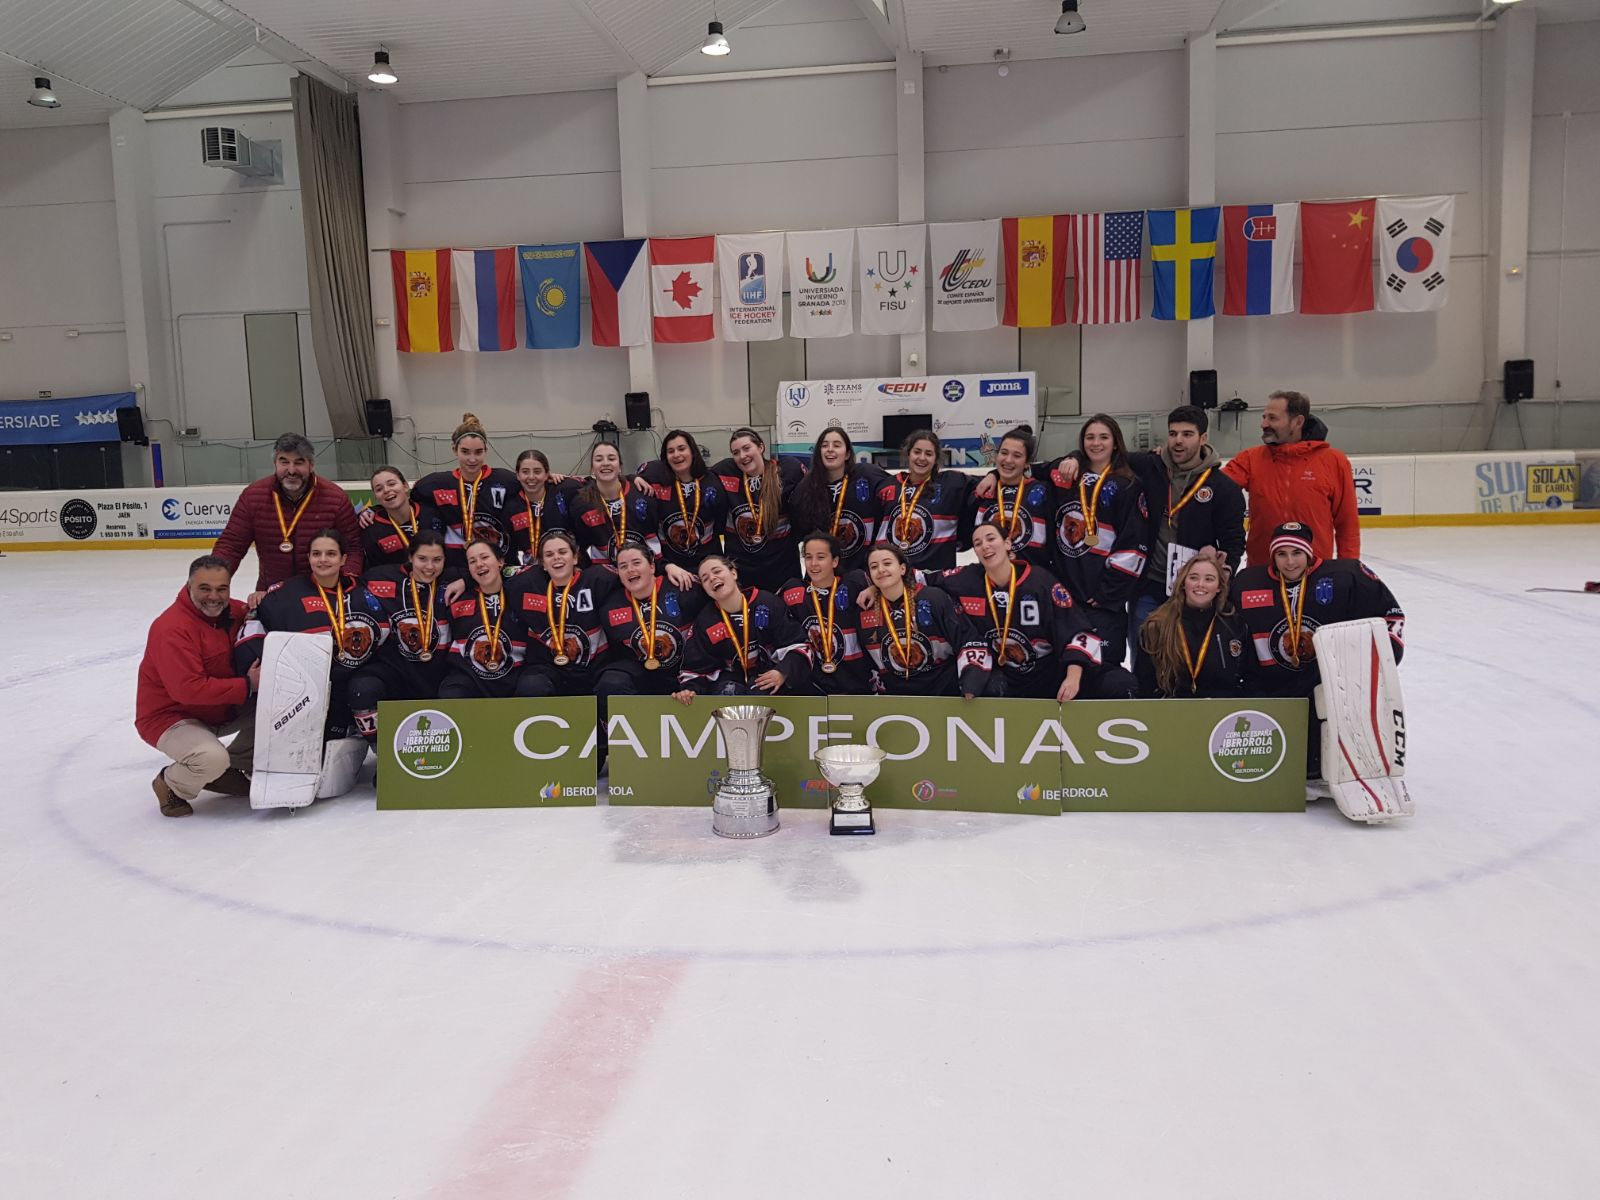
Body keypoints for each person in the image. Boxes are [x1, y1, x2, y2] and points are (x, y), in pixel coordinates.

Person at [1047, 406, 1245, 659]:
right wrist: (1074, 456)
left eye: (1187, 434)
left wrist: (1223, 570)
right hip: (1148, 585)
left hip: (1193, 589)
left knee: (1190, 657)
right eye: (1173, 434)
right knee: (1144, 657)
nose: (1178, 441)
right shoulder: (1148, 466)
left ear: (1203, 438)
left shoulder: (1223, 487)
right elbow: (1103, 452)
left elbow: (1234, 541)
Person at [1229, 522, 1405, 777]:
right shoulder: (1247, 583)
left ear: (1309, 552)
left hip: (1326, 683)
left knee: (1318, 753)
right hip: (1271, 684)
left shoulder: (1347, 576)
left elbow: (1392, 616)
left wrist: (1384, 659)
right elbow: (1226, 627)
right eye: (1281, 554)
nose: (1290, 562)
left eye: (1297, 553)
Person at [926, 521, 1135, 701]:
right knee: (987, 688)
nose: (985, 546)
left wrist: (1073, 678)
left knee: (1120, 683)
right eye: (978, 543)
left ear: (1007, 543)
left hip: (1050, 673)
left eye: (991, 539)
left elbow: (1078, 633)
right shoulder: (967, 578)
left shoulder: (1040, 581)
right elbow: (921, 578)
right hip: (1007, 676)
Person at [137, 554, 258, 817]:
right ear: (189, 586)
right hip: (172, 717)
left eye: (221, 589)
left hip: (218, 709)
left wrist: (262, 602)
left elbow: (255, 613)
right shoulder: (171, 628)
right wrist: (247, 685)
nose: (213, 596)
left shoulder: (232, 612)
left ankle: (227, 769)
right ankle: (170, 784)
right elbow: (187, 689)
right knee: (209, 758)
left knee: (283, 708)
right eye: (204, 588)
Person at [234, 528, 379, 741]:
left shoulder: (363, 593)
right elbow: (253, 628)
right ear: (309, 557)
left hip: (353, 682)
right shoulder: (284, 595)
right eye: (316, 554)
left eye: (330, 554)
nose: (323, 560)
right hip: (308, 689)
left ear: (343, 559)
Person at [1040, 414, 1149, 666]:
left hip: (1102, 602)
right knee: (1063, 666)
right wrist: (992, 474)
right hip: (1065, 596)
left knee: (1104, 668)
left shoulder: (1128, 485)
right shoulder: (1068, 476)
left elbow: (1134, 544)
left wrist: (1107, 593)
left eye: (1103, 437)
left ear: (1115, 443)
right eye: (1090, 437)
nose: (1096, 443)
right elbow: (1029, 470)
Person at [212, 432, 363, 596]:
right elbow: (231, 546)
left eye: (299, 462)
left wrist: (347, 585)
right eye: (284, 462)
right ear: (275, 463)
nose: (291, 470)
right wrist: (212, 581)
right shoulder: (253, 496)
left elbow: (353, 549)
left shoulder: (336, 498)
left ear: (311, 465)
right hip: (272, 592)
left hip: (323, 593)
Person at [1222, 390, 1360, 566]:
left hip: (1314, 571)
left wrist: (1348, 568)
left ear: (1298, 422)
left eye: (1272, 418)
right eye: (1264, 417)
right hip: (1262, 570)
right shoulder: (1250, 459)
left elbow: (1347, 523)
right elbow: (1216, 489)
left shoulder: (1334, 461)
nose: (1263, 424)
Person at [347, 530, 453, 746]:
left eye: (437, 560)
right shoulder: (381, 578)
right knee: (363, 688)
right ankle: (383, 753)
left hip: (439, 673)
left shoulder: (453, 580)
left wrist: (465, 579)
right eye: (422, 559)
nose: (429, 567)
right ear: (410, 557)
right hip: (397, 670)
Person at [674, 554, 812, 700]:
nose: (712, 578)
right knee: (727, 692)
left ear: (733, 573)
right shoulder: (705, 621)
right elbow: (696, 668)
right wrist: (689, 690)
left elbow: (799, 645)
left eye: (717, 571)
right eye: (705, 578)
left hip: (768, 677)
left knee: (762, 691)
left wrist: (782, 672)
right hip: (730, 682)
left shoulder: (768, 603)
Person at [858, 544, 985, 698]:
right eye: (874, 566)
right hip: (894, 698)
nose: (881, 570)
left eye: (887, 563)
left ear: (902, 569)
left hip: (944, 695)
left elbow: (968, 640)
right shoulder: (865, 608)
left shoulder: (933, 598)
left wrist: (971, 684)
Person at [508, 529, 620, 693]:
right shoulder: (525, 584)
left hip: (593, 667)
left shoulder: (598, 579)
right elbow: (491, 573)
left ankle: (603, 720)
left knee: (613, 683)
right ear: (543, 564)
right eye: (549, 555)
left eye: (562, 552)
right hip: (548, 669)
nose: (556, 558)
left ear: (575, 557)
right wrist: (464, 579)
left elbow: (634, 571)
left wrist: (667, 567)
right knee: (531, 686)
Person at [1135, 548, 1249, 699]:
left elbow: (1249, 676)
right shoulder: (1157, 626)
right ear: (1183, 583)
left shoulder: (1234, 624)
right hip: (1171, 711)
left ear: (1219, 587)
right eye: (1194, 578)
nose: (1200, 584)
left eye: (1209, 579)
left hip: (1221, 712)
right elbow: (1144, 684)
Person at [412, 413, 520, 568]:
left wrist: (550, 477)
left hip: (500, 565)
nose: (472, 459)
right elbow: (401, 502)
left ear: (486, 451)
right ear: (455, 450)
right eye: (465, 451)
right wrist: (373, 512)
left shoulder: (506, 480)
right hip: (457, 568)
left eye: (478, 452)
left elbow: (535, 487)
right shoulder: (436, 484)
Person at [710, 428, 806, 593]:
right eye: (736, 452)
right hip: (743, 571)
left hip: (782, 569)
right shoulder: (725, 472)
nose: (742, 456)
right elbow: (693, 475)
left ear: (761, 447)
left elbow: (817, 483)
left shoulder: (787, 471)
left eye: (747, 448)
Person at [787, 428, 890, 573]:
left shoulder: (868, 475)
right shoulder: (805, 489)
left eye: (836, 445)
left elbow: (898, 491)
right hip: (826, 576)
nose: (830, 450)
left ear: (847, 453)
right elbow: (799, 532)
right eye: (824, 445)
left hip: (866, 573)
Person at [781, 532, 872, 695]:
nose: (813, 564)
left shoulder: (854, 583)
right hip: (814, 688)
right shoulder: (793, 590)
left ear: (835, 561)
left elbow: (894, 584)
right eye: (808, 557)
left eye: (821, 557)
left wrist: (876, 589)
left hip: (857, 685)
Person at [440, 537, 526, 698]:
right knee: (450, 693)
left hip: (514, 674)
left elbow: (537, 569)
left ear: (500, 562)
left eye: (485, 557)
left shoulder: (518, 592)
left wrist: (465, 579)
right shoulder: (457, 598)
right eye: (472, 561)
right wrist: (467, 579)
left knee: (532, 687)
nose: (479, 564)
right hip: (471, 678)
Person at [876, 428, 973, 571]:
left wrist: (994, 475)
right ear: (908, 454)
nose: (922, 458)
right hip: (894, 575)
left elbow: (987, 486)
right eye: (917, 452)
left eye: (928, 454)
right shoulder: (888, 486)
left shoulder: (951, 484)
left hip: (935, 579)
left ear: (936, 459)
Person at [633, 430, 726, 575]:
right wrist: (634, 479)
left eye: (681, 449)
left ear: (693, 451)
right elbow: (626, 481)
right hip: (670, 566)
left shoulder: (711, 483)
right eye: (671, 451)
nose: (676, 455)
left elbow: (721, 522)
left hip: (707, 563)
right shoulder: (655, 477)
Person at [967, 424, 1054, 570]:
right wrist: (993, 474)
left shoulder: (1042, 491)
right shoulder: (983, 489)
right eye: (1004, 453)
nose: (1008, 460)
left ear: (1027, 463)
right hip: (991, 579)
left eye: (1017, 456)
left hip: (1030, 580)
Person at [570, 442, 663, 568]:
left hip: (641, 570)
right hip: (603, 576)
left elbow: (654, 538)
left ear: (620, 467)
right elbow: (581, 545)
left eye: (611, 458)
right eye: (599, 459)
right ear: (592, 468)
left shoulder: (642, 494)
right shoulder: (581, 503)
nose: (605, 463)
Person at [361, 465, 444, 571]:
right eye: (379, 489)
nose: (386, 490)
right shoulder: (371, 526)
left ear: (405, 486)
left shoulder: (431, 513)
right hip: (400, 584)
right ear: (376, 497)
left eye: (391, 484)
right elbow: (377, 570)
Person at [506, 449, 579, 570]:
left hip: (566, 567)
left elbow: (592, 486)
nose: (531, 477)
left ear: (547, 474)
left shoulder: (563, 492)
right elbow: (510, 550)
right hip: (533, 572)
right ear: (517, 475)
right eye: (525, 472)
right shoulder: (511, 507)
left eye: (537, 471)